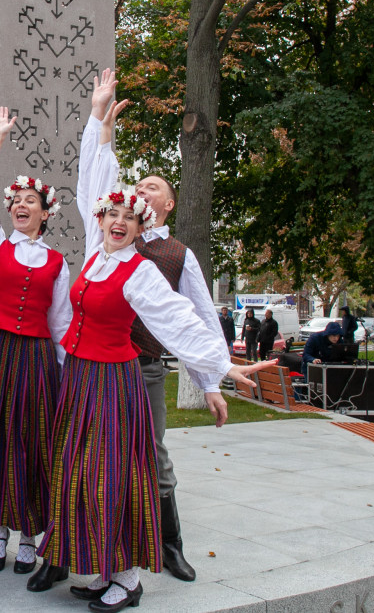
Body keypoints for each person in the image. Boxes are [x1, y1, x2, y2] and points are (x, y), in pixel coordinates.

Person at [28, 73, 273, 612]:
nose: (118, 220)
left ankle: (130, 579)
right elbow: (93, 174)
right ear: (101, 220)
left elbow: (181, 319)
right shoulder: (96, 255)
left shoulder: (140, 272)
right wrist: (97, 121)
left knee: (114, 476)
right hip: (82, 379)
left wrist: (219, 369)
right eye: (111, 214)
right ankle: (103, 568)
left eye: (128, 217)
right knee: (77, 473)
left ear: (143, 227)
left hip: (117, 383)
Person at [0, 107, 71, 575]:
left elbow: (61, 322)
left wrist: (66, 371)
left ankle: (29, 534)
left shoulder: (58, 262)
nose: (20, 205)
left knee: (31, 441)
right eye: (16, 200)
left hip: (36, 358)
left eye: (30, 201)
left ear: (45, 214)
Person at [128, 159, 231, 584]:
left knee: (154, 455)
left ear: (168, 204)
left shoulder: (179, 255)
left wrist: (210, 383)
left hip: (147, 369)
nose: (144, 190)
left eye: (152, 187)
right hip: (102, 368)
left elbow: (201, 318)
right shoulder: (117, 241)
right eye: (138, 185)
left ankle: (171, 546)